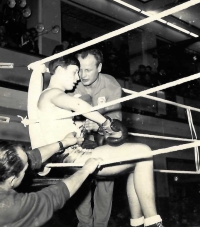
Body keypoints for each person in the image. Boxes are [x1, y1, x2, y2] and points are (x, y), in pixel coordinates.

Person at [28, 56, 165, 227]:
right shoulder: (52, 93)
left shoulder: (50, 98)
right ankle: (153, 222)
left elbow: (61, 126)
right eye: (74, 71)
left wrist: (82, 127)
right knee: (144, 152)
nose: (77, 77)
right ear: (59, 70)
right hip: (75, 157)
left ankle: (138, 222)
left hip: (72, 155)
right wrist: (106, 123)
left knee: (137, 163)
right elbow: (79, 105)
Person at [0, 134, 101, 227]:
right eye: (25, 170)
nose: (29, 166)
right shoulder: (10, 207)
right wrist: (86, 170)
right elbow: (53, 197)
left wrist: (63, 143)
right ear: (12, 180)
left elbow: (32, 157)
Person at [73, 48, 122, 227]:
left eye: (88, 69)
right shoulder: (72, 82)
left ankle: (101, 225)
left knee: (106, 183)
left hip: (103, 139)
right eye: (79, 69)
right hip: (78, 139)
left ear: (99, 67)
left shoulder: (112, 86)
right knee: (80, 179)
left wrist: (101, 125)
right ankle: (84, 224)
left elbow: (117, 124)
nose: (82, 74)